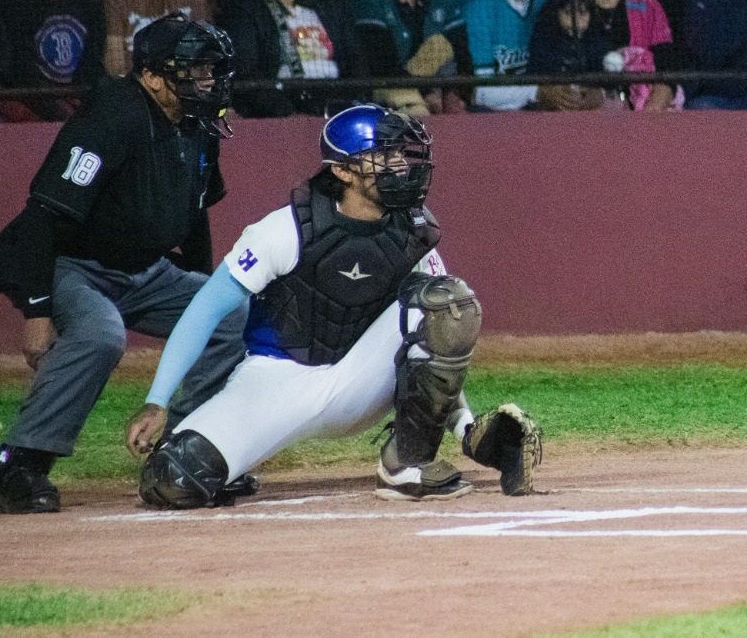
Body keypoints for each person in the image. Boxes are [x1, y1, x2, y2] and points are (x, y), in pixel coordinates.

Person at [125, 104, 543, 505]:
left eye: (400, 152)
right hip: (276, 379)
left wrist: (465, 428)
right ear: (342, 170)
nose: (398, 164)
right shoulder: (284, 229)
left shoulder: (415, 229)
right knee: (172, 480)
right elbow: (205, 310)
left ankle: (406, 464)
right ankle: (232, 463)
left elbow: (434, 336)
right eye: (382, 155)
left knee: (448, 300)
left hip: (362, 381)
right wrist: (158, 400)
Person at [0, 13, 244, 513]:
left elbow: (194, 209)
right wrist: (37, 312)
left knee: (231, 312)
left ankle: (188, 450)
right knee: (100, 333)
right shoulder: (115, 112)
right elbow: (43, 214)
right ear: (153, 76)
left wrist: (206, 287)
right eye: (196, 70)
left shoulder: (196, 121)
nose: (208, 80)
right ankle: (21, 465)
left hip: (147, 269)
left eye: (211, 69)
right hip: (72, 264)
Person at [218, 0, 365, 117]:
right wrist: (289, 114)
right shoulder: (244, 8)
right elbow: (247, 73)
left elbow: (355, 55)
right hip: (283, 106)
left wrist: (352, 102)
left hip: (336, 100)